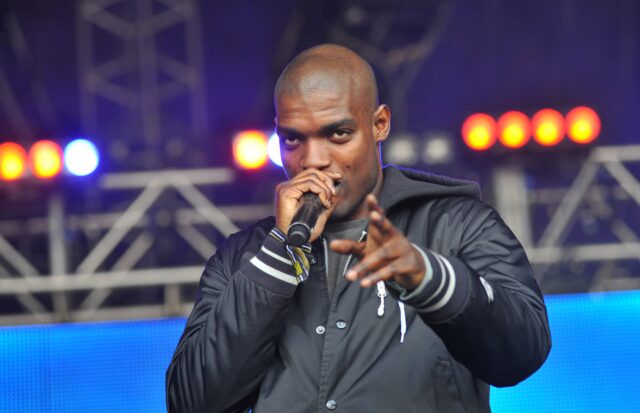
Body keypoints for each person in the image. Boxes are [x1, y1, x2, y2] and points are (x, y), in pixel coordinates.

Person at [166, 44, 551, 413]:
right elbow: (191, 403)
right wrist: (278, 257)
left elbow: (522, 352)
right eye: (293, 138)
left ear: (379, 124)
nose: (313, 160)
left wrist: (429, 279)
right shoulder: (243, 257)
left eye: (338, 134)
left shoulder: (459, 224)